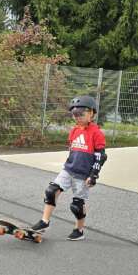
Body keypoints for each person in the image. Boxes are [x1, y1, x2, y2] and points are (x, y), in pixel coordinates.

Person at [30, 95, 107, 241]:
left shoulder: (96, 133)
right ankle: (44, 222)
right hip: (69, 169)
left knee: (76, 205)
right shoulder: (74, 131)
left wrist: (93, 175)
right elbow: (72, 150)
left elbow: (100, 156)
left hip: (83, 174)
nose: (77, 117)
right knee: (51, 191)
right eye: (75, 115)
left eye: (81, 114)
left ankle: (79, 230)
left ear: (92, 113)